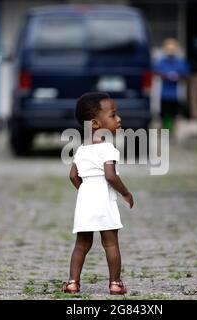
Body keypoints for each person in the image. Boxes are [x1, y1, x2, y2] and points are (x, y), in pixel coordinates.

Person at [63, 92, 134, 295]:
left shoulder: (82, 150)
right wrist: (126, 193)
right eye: (113, 115)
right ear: (95, 123)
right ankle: (115, 283)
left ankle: (72, 282)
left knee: (81, 245)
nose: (118, 119)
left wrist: (86, 192)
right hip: (104, 200)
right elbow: (110, 176)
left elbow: (73, 176)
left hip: (85, 202)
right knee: (110, 243)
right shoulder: (107, 148)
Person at [153, 38, 190, 131]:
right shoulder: (161, 61)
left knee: (175, 115)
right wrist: (166, 76)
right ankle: (161, 131)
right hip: (163, 94)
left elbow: (185, 75)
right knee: (162, 115)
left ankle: (173, 133)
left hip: (176, 94)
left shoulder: (180, 62)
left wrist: (177, 77)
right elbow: (156, 72)